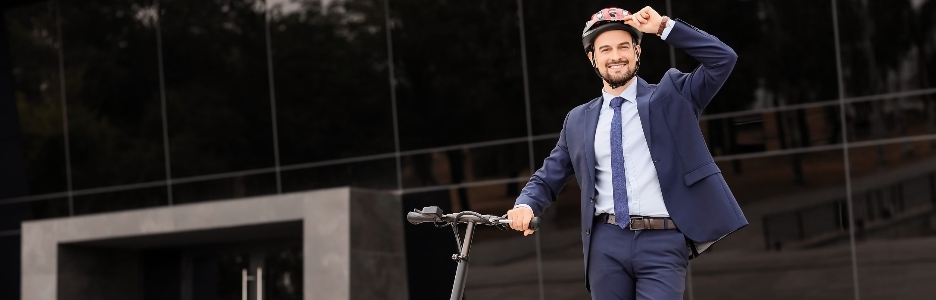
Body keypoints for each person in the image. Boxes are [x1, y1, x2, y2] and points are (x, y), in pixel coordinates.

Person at [506, 6, 747, 299]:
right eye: (605, 49)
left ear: (637, 51)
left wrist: (663, 27)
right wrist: (526, 204)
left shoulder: (674, 96)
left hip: (663, 240)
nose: (616, 56)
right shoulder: (579, 119)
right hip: (605, 243)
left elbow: (723, 59)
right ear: (592, 58)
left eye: (624, 46)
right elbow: (549, 176)